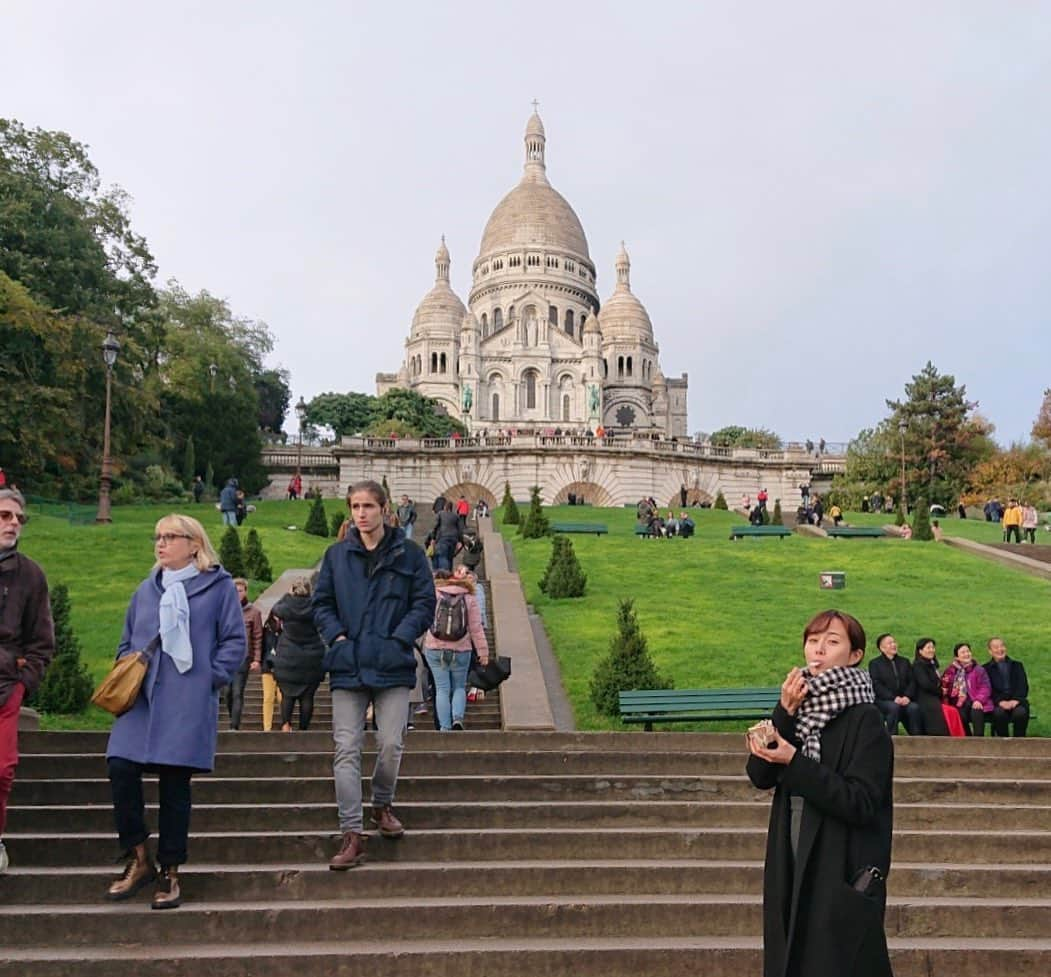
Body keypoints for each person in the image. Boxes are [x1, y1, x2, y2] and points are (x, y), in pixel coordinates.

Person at [105, 514, 244, 909]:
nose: (161, 543)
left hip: (187, 699)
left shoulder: (218, 588)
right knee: (120, 766)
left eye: (170, 537)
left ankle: (170, 870)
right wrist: (126, 666)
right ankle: (137, 857)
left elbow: (234, 641)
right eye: (158, 536)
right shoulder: (146, 590)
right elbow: (126, 639)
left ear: (194, 544)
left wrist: (208, 679)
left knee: (174, 784)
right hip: (142, 700)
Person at [746, 610, 894, 977]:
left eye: (832, 642)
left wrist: (795, 761)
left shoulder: (866, 719)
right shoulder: (799, 709)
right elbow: (760, 774)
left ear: (855, 654)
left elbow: (860, 802)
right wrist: (783, 713)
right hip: (791, 859)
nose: (819, 650)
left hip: (838, 866)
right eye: (813, 641)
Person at [312, 479, 435, 870]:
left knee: (390, 743)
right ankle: (352, 833)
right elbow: (322, 603)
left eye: (367, 506)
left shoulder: (411, 555)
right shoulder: (335, 556)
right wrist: (338, 637)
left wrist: (400, 637)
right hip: (348, 663)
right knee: (346, 748)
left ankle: (381, 804)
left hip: (393, 661)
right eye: (354, 507)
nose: (360, 514)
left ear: (384, 509)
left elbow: (424, 603)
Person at [0, 488, 55, 874]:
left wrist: (24, 681)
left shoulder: (31, 574)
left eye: (19, 518)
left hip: (5, 685)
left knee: (2, 769)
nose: (13, 523)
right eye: (5, 516)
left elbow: (42, 640)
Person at [422, 570, 489, 731]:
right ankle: (457, 718)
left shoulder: (435, 595)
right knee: (459, 686)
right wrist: (483, 653)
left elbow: (424, 620)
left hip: (435, 648)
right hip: (461, 649)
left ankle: (444, 728)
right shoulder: (469, 598)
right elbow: (476, 628)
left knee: (442, 689)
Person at [272, 577, 326, 732]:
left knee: (287, 695)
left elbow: (275, 609)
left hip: (288, 655)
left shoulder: (286, 606)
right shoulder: (315, 606)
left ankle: (286, 724)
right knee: (308, 697)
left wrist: (287, 596)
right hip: (312, 656)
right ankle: (303, 729)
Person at [224, 578, 262, 730]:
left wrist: (257, 659)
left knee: (237, 692)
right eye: (234, 591)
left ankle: (234, 726)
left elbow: (258, 637)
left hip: (243, 658)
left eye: (240, 590)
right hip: (226, 657)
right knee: (227, 692)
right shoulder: (225, 610)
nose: (237, 594)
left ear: (245, 591)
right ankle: (231, 717)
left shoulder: (254, 612)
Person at [868, 633, 922, 735]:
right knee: (893, 707)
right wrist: (893, 698)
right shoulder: (875, 664)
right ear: (882, 648)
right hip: (884, 700)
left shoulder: (904, 662)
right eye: (890, 643)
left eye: (894, 642)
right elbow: (877, 685)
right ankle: (892, 740)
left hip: (904, 699)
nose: (894, 645)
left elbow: (912, 681)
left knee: (914, 708)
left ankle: (917, 740)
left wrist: (907, 696)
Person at [940, 642, 992, 737]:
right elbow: (944, 687)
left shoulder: (979, 670)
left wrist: (979, 700)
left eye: (968, 651)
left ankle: (979, 741)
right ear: (957, 657)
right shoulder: (950, 671)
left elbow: (985, 687)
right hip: (958, 703)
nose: (966, 654)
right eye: (963, 652)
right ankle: (967, 740)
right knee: (958, 714)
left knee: (976, 711)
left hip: (976, 701)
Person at [983, 637, 1029, 737]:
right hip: (997, 703)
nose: (1000, 649)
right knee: (999, 714)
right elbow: (987, 689)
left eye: (1002, 646)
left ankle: (1019, 742)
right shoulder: (985, 669)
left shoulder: (1017, 665)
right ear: (990, 651)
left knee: (1020, 713)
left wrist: (1015, 700)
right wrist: (1000, 702)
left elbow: (1023, 686)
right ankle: (1003, 743)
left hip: (1017, 701)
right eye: (996, 647)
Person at [911, 637, 949, 735]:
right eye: (928, 648)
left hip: (934, 695)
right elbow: (925, 684)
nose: (931, 650)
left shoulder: (932, 664)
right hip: (924, 697)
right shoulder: (918, 665)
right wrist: (940, 691)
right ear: (920, 651)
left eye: (932, 647)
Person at [260, 609, 283, 732]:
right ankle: (267, 727)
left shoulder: (287, 628)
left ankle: (285, 723)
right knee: (268, 697)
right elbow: (264, 646)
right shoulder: (267, 628)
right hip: (268, 666)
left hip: (283, 668)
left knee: (282, 697)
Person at [433, 501, 463, 572]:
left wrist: (433, 537)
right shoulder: (456, 516)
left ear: (444, 507)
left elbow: (435, 526)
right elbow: (460, 529)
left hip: (443, 537)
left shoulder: (440, 513)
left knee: (443, 556)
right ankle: (449, 573)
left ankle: (445, 573)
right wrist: (460, 541)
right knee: (450, 557)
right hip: (454, 539)